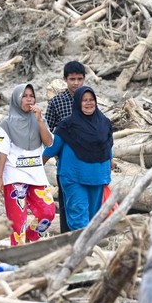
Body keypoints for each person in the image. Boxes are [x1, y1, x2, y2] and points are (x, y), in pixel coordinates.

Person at [43, 86, 113, 230]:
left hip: (98, 177)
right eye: (84, 100)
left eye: (91, 99)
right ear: (77, 103)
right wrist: (36, 165)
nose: (89, 103)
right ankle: (80, 245)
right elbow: (53, 147)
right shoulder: (67, 125)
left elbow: (107, 146)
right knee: (79, 218)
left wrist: (111, 161)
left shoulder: (104, 123)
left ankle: (86, 244)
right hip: (73, 177)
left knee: (93, 219)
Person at [0, 83, 56, 246]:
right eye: (24, 96)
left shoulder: (39, 120)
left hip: (37, 176)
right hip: (14, 177)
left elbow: (49, 143)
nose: (29, 99)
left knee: (48, 212)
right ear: (16, 99)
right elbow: (2, 152)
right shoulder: (6, 124)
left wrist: (40, 121)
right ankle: (18, 253)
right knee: (18, 223)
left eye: (32, 96)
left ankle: (31, 236)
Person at [45, 61, 86, 233]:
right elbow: (47, 130)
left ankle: (86, 236)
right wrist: (55, 152)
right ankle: (66, 237)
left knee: (85, 201)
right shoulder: (57, 102)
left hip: (88, 160)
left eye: (79, 79)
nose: (76, 83)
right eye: (72, 79)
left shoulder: (88, 99)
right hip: (65, 162)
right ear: (65, 79)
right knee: (67, 201)